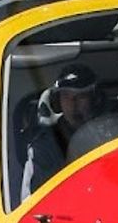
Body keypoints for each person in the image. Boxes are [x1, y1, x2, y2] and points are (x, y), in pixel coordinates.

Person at [18, 63, 101, 201]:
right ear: (58, 102)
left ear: (95, 100)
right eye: (66, 96)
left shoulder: (112, 135)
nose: (73, 104)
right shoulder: (44, 147)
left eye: (81, 96)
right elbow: (34, 204)